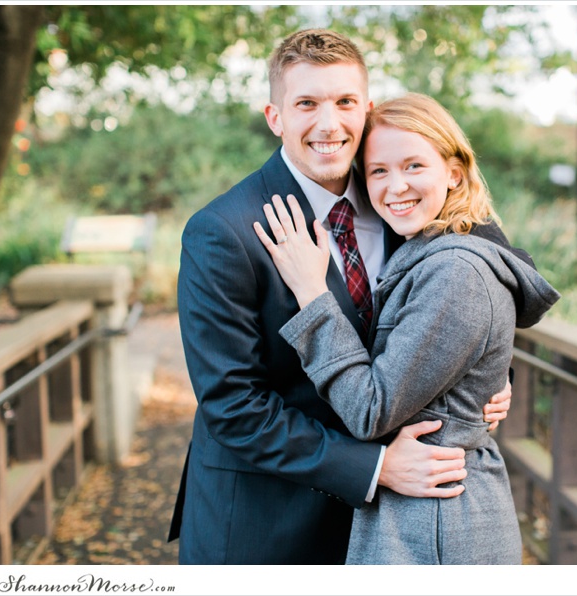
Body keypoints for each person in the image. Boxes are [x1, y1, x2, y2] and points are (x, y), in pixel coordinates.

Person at [168, 29, 520, 564]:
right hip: (266, 526)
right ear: (276, 117)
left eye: (345, 102)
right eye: (306, 103)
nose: (328, 124)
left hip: (385, 531)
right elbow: (233, 406)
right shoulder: (224, 231)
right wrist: (374, 467)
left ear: (367, 109)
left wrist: (487, 381)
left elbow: (458, 299)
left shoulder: (397, 196)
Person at [253, 92, 560, 564]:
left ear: (454, 171)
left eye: (414, 166)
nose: (396, 186)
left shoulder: (455, 271)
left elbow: (371, 409)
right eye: (379, 171)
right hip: (421, 511)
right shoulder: (419, 246)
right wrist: (491, 376)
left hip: (436, 524)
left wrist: (312, 294)